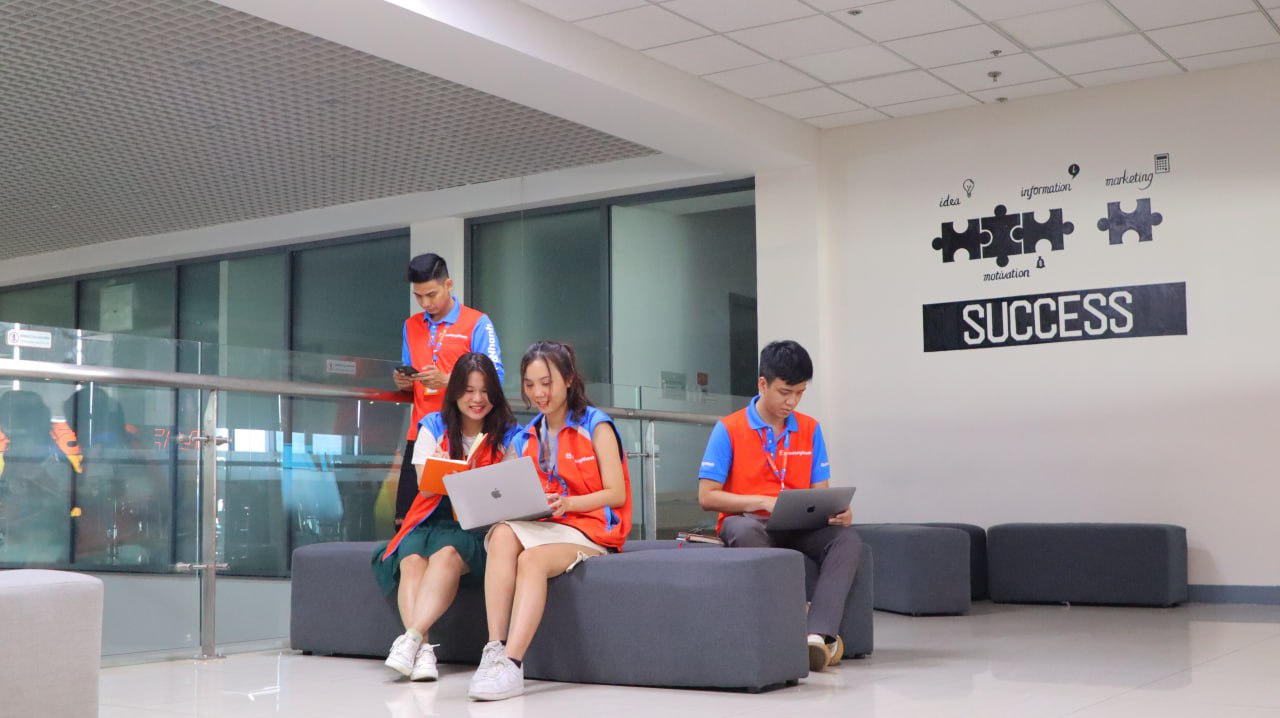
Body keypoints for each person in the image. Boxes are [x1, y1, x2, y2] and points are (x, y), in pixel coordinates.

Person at [467, 341, 631, 702]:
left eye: (547, 383)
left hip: (592, 529)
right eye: (530, 385)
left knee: (531, 560)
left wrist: (569, 503)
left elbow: (616, 494)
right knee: (502, 533)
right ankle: (494, 648)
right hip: (550, 524)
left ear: (569, 379)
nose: (539, 393)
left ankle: (512, 664)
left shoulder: (596, 425)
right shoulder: (527, 435)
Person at [696, 340, 861, 673]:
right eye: (785, 392)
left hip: (798, 525)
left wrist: (839, 513)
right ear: (763, 384)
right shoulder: (729, 428)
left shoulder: (810, 429)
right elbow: (707, 497)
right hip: (748, 522)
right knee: (744, 530)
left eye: (800, 393)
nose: (792, 401)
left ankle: (818, 635)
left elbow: (820, 493)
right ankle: (798, 619)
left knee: (847, 539)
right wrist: (760, 502)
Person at [372, 353, 521, 681]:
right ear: (454, 392)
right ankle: (423, 651)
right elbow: (424, 488)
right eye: (468, 390)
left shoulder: (510, 433)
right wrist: (442, 468)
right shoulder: (432, 426)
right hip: (431, 516)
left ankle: (411, 639)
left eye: (485, 391)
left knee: (447, 554)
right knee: (411, 559)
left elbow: (509, 493)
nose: (477, 399)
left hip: (477, 524)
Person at [393, 253, 504, 528]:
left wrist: (448, 381)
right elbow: (411, 375)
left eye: (431, 294)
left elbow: (496, 377)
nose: (425, 303)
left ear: (449, 284)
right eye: (418, 296)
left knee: (465, 520)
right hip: (421, 432)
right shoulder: (411, 325)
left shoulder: (477, 322)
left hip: (463, 432)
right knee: (406, 522)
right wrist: (405, 383)